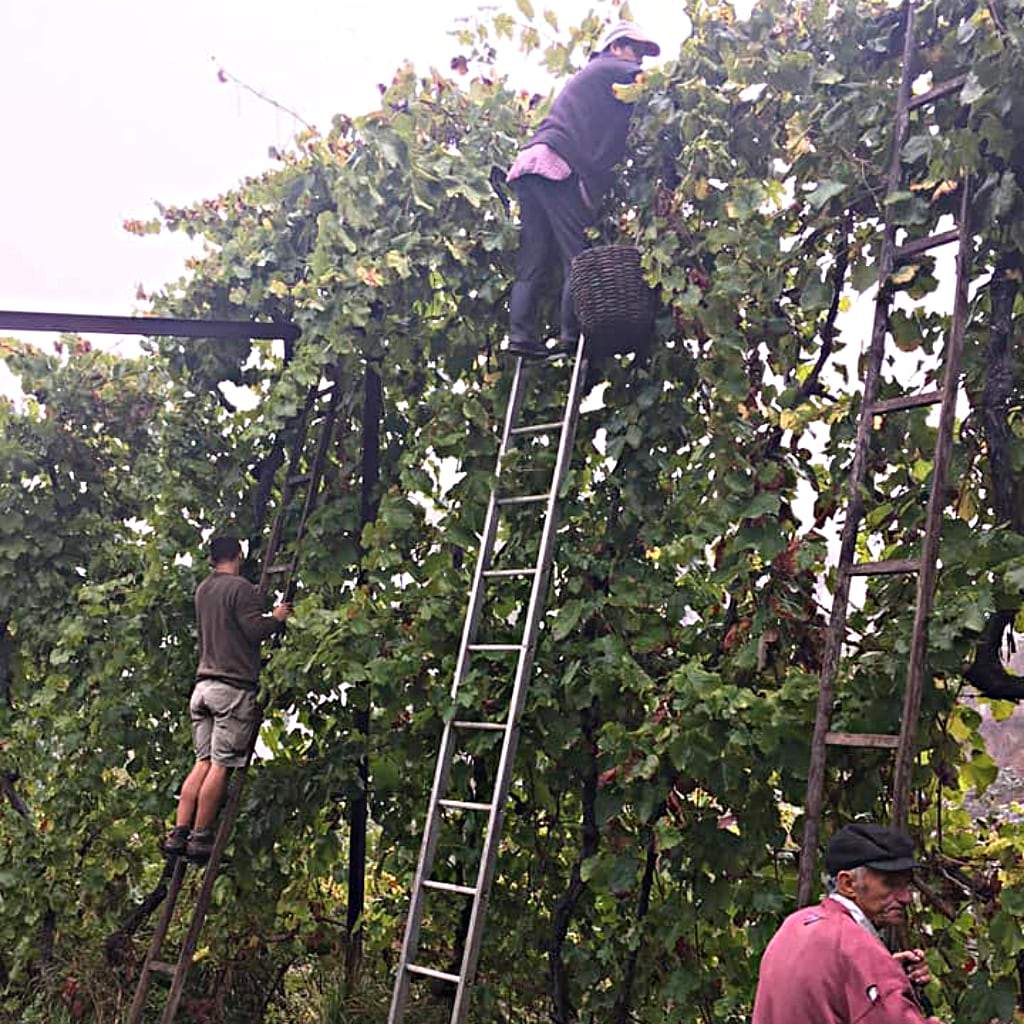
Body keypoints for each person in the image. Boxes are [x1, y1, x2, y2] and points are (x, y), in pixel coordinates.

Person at [505, 21, 660, 359]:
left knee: (533, 257)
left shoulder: (594, 78)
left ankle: (520, 336)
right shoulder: (610, 67)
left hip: (532, 162)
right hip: (554, 163)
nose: (639, 61)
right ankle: (572, 335)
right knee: (577, 255)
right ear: (616, 46)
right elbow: (655, 86)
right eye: (636, 50)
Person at [162, 536, 291, 863]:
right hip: (231, 690)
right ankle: (201, 836)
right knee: (220, 767)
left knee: (201, 762)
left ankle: (179, 832)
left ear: (210, 559)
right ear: (239, 555)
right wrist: (275, 618)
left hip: (202, 687)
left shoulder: (203, 589)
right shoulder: (240, 588)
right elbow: (252, 631)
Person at [752, 823, 942, 1024]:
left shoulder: (795, 924)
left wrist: (889, 976)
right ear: (848, 884)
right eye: (891, 883)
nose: (905, 898)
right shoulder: (860, 949)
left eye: (906, 885)